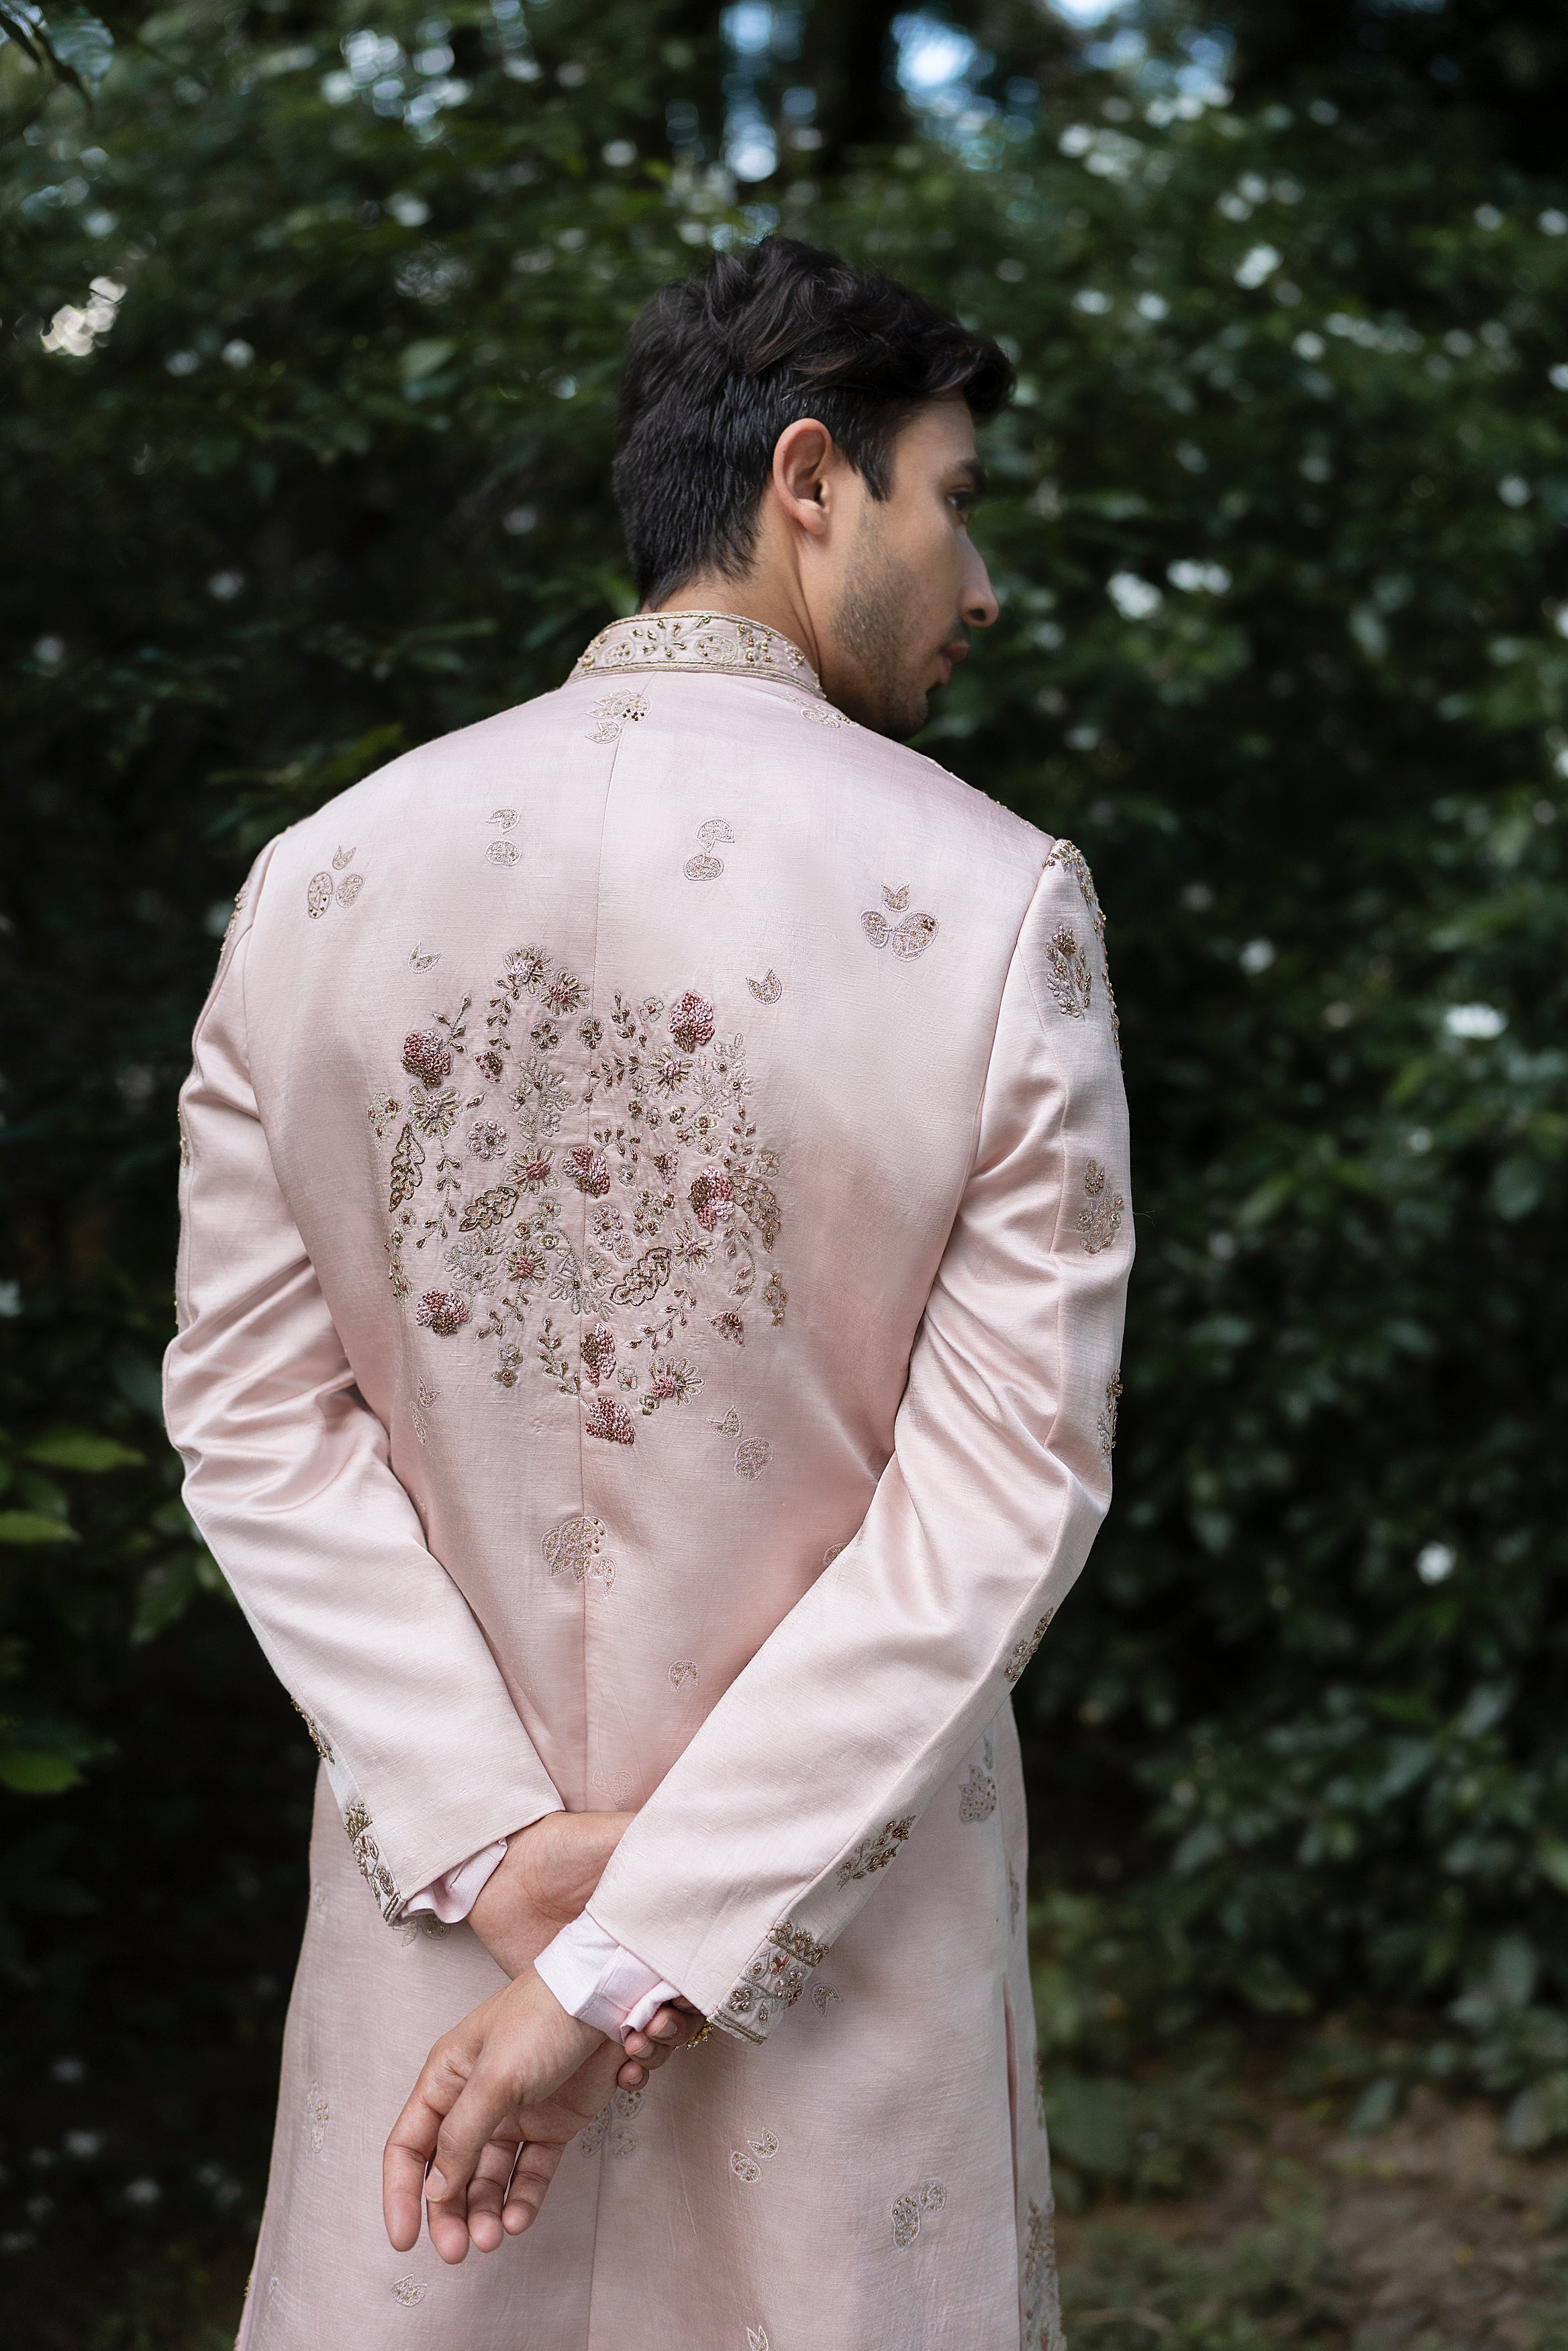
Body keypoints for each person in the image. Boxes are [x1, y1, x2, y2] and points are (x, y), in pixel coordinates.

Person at [164, 233, 1131, 2351]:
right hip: (830, 1941)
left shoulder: (317, 880)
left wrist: (503, 1851)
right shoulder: (993, 907)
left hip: (443, 1925)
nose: (983, 588)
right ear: (812, 478)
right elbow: (998, 1513)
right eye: (955, 499)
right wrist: (629, 1953)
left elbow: (247, 1416)